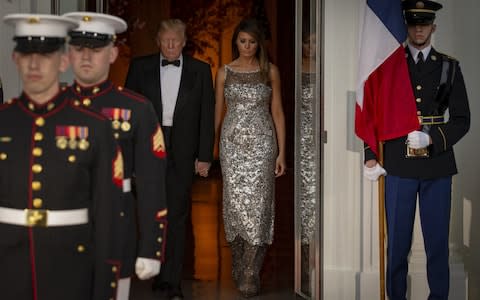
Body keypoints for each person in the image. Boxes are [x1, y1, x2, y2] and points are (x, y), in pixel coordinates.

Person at [0, 13, 124, 299]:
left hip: (71, 269)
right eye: (27, 54)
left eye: (45, 54)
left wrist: (105, 286)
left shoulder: (95, 127)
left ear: (63, 61)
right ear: (14, 58)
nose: (34, 64)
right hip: (7, 269)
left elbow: (107, 216)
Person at [363, 1, 470, 299]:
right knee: (397, 245)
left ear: (434, 26)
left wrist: (434, 137)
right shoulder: (389, 66)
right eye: (413, 22)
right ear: (406, 25)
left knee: (437, 245)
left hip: (437, 166)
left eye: (424, 22)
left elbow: (463, 119)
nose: (419, 28)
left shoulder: (449, 66)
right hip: (398, 164)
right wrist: (370, 155)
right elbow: (371, 110)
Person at [62, 12, 168, 300]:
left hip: (114, 229)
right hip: (58, 235)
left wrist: (151, 248)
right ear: (69, 54)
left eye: (95, 49)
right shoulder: (51, 106)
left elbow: (151, 184)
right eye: (79, 49)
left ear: (112, 54)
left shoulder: (137, 108)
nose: (86, 57)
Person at [125, 18, 215, 299]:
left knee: (177, 215)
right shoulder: (140, 67)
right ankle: (156, 272)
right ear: (158, 42)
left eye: (176, 40)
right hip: (148, 147)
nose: (172, 45)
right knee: (151, 212)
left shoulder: (201, 71)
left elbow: (206, 116)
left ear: (184, 41)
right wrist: (130, 156)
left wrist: (204, 156)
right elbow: (129, 115)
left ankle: (172, 280)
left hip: (184, 149)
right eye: (166, 40)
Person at [214, 18, 286, 298]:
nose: (246, 46)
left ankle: (250, 271)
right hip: (232, 148)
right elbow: (217, 112)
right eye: (242, 41)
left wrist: (282, 152)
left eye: (252, 42)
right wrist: (211, 150)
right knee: (235, 207)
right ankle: (239, 260)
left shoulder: (271, 72)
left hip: (263, 147)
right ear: (236, 42)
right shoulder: (224, 72)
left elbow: (277, 111)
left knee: (259, 207)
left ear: (259, 44)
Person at [299, 29, 317, 295]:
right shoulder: (296, 68)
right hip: (301, 140)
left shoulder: (331, 66)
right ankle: (304, 265)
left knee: (319, 201)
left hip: (323, 139)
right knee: (305, 202)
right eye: (309, 42)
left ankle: (318, 261)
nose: (313, 46)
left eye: (317, 41)